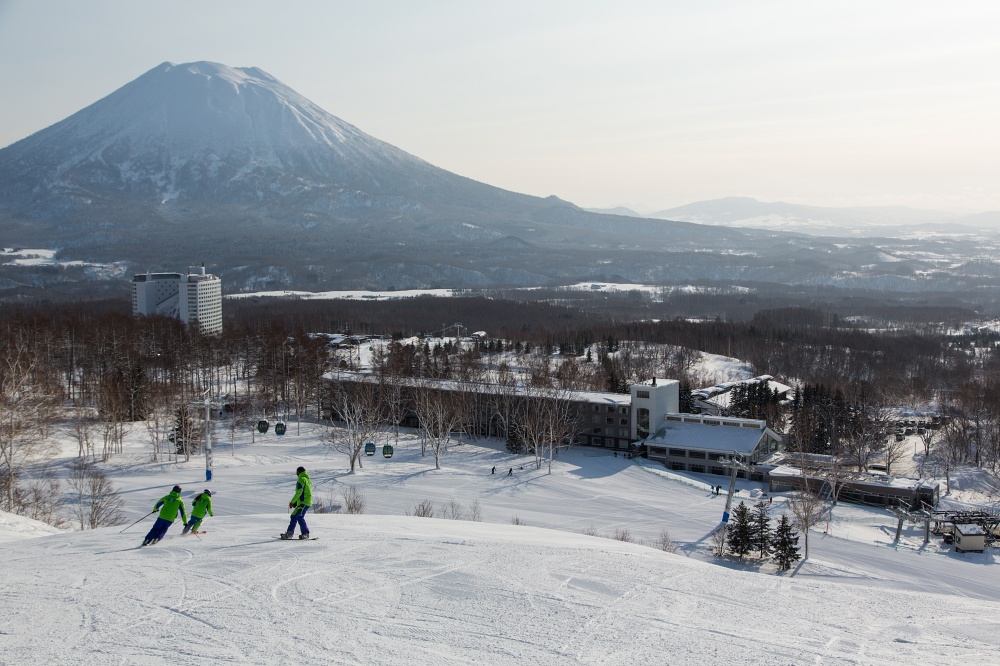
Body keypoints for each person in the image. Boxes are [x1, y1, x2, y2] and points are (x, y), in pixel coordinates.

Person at [280, 466, 312, 539]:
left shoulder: (301, 479)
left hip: (304, 502)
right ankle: (289, 533)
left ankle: (305, 533)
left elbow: (299, 492)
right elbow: (304, 492)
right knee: (294, 516)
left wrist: (292, 502)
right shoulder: (308, 480)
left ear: (298, 472)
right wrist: (296, 502)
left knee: (299, 516)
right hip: (302, 502)